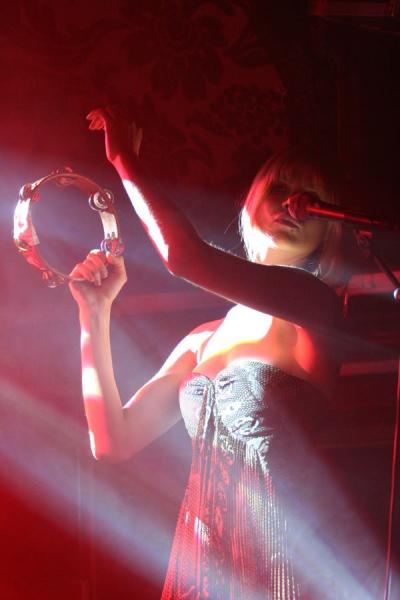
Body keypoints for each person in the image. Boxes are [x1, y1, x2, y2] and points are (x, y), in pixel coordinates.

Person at [69, 108, 346, 599]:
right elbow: (113, 441)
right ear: (252, 200)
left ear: (328, 229)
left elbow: (183, 257)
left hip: (286, 566)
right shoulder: (204, 339)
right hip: (203, 570)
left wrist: (125, 161)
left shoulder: (314, 304)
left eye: (312, 197)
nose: (292, 204)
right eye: (280, 188)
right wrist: (94, 312)